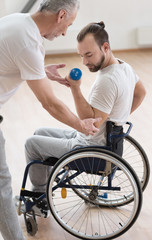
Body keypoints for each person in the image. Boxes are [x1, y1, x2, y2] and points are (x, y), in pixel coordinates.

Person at [0, 1, 101, 239]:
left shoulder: (16, 22)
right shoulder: (29, 43)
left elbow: (8, 59)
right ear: (61, 15)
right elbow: (49, 103)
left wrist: (41, 71)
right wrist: (80, 125)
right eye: (68, 25)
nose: (63, 33)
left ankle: (9, 206)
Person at [24, 21, 146, 199]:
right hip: (109, 144)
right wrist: (119, 117)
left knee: (31, 144)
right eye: (81, 55)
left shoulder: (107, 81)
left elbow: (89, 123)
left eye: (89, 55)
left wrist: (75, 88)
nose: (84, 62)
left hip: (91, 149)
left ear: (105, 47)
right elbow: (141, 93)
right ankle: (47, 181)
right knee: (40, 132)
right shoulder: (124, 67)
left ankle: (39, 195)